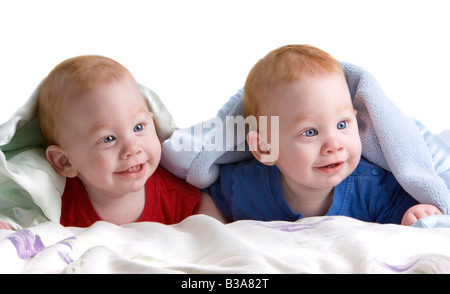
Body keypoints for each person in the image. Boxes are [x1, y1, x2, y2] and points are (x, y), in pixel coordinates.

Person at [201, 44, 442, 226]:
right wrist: (212, 227)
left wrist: (416, 215)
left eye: (342, 124)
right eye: (310, 132)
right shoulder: (244, 186)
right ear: (265, 148)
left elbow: (409, 213)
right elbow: (207, 199)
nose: (334, 145)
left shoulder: (371, 188)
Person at [33, 55, 203, 228]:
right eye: (108, 139)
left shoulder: (178, 198)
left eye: (138, 127)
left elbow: (217, 233)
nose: (132, 148)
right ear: (65, 161)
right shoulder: (54, 210)